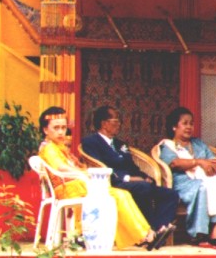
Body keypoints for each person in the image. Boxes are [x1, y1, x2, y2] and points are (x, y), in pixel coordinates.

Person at [38, 106, 165, 250]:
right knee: (118, 196)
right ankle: (145, 236)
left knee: (121, 194)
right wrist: (82, 173)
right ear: (45, 130)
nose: (61, 132)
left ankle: (146, 234)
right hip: (68, 188)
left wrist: (83, 172)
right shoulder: (49, 148)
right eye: (56, 128)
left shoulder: (60, 147)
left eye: (63, 127)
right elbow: (61, 167)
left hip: (78, 185)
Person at [81, 105, 179, 243]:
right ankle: (148, 232)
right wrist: (128, 178)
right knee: (142, 187)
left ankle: (157, 231)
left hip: (135, 183)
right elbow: (99, 166)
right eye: (116, 120)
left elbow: (132, 166)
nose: (119, 124)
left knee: (170, 194)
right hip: (112, 183)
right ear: (104, 123)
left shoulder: (121, 144)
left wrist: (145, 177)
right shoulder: (91, 142)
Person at [158, 107, 216, 246]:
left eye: (191, 123)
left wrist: (212, 166)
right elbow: (175, 163)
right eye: (185, 123)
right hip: (183, 183)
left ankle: (215, 230)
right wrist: (199, 162)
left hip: (205, 179)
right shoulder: (167, 146)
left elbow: (213, 160)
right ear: (174, 127)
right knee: (202, 187)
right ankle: (199, 233)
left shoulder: (198, 143)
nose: (189, 127)